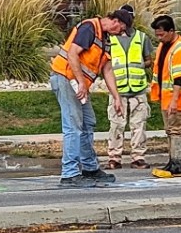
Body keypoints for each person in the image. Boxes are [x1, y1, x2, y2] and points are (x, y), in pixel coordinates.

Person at [49, 10, 125, 186]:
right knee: (73, 125)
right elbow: (72, 53)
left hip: (77, 83)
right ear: (115, 21)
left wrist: (116, 97)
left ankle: (90, 168)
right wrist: (81, 82)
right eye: (121, 29)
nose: (121, 33)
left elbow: (107, 69)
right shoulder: (89, 28)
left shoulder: (105, 38)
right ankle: (69, 174)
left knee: (87, 122)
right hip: (66, 78)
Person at [148, 14, 181, 178]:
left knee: (177, 131)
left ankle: (177, 165)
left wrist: (174, 101)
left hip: (178, 100)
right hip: (166, 98)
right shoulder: (165, 46)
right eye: (157, 35)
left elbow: (179, 78)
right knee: (170, 131)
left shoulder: (179, 49)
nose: (159, 38)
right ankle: (172, 162)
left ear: (171, 31)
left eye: (162, 34)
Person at [104, 4, 151, 169]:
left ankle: (138, 157)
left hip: (138, 89)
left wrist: (139, 65)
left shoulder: (142, 38)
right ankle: (114, 158)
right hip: (117, 90)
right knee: (116, 125)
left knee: (139, 125)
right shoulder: (109, 39)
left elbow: (148, 60)